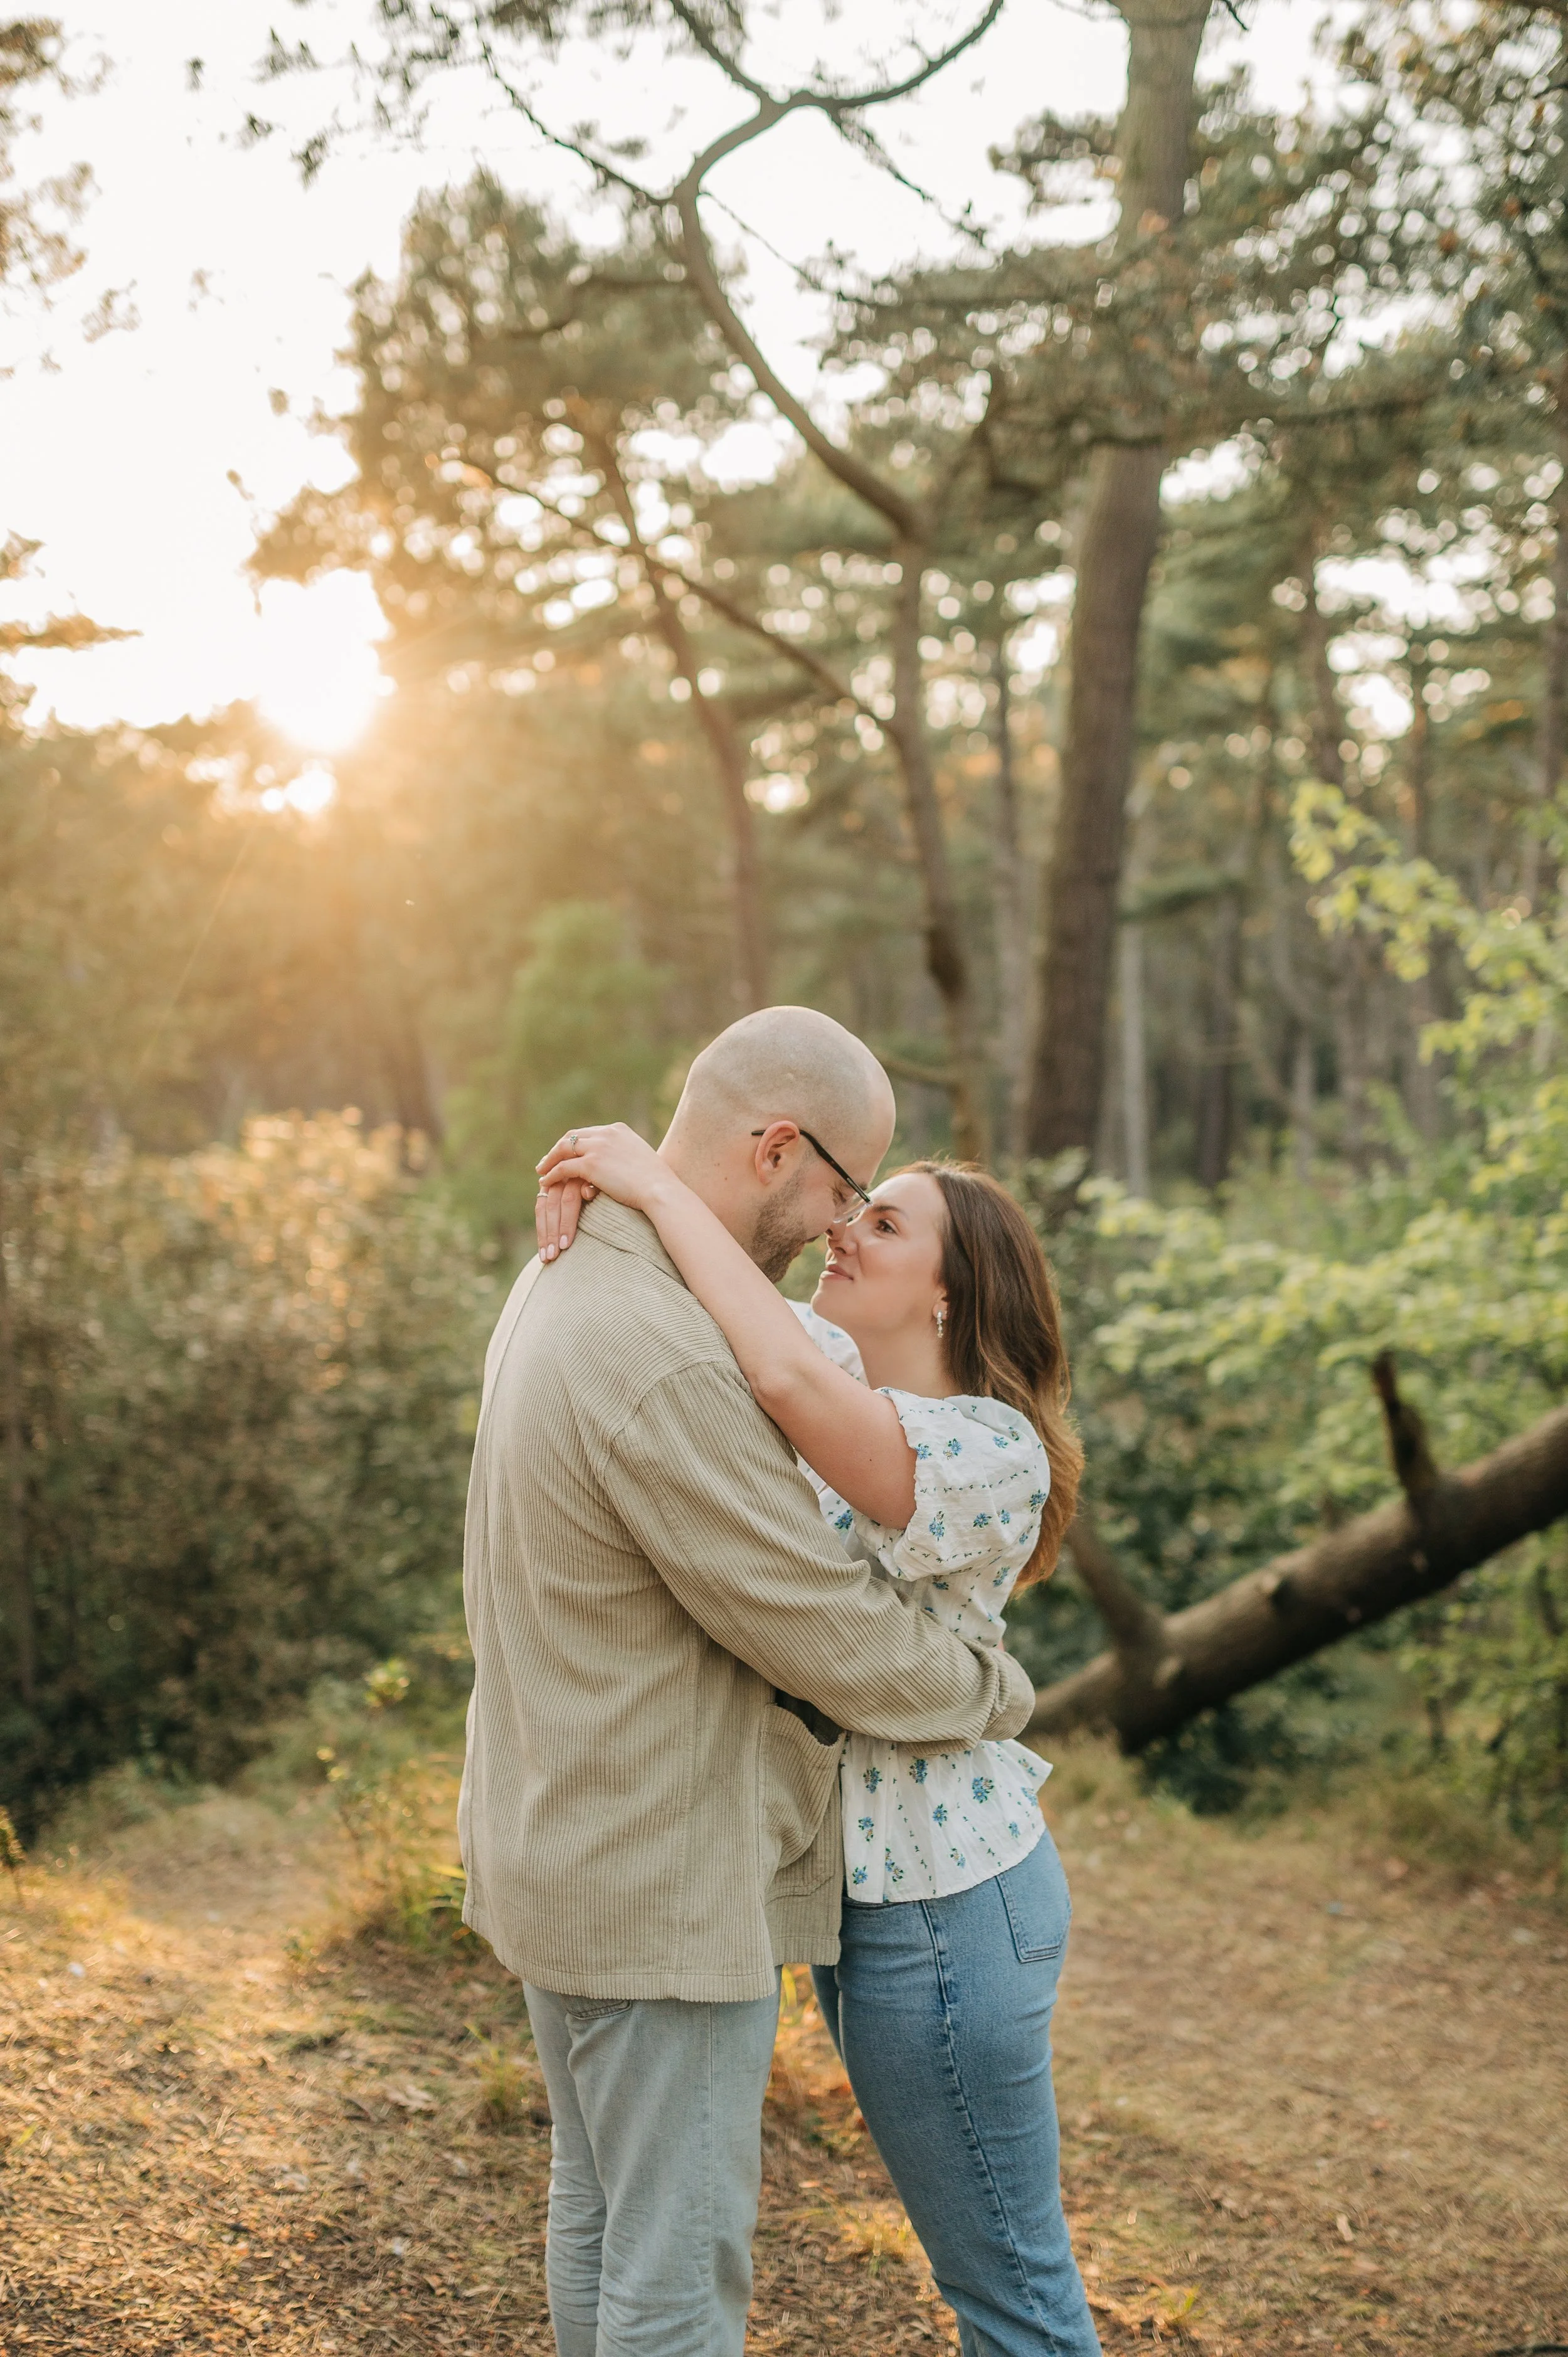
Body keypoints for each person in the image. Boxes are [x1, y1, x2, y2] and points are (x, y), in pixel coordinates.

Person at [458, 1005, 1039, 2357]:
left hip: (562, 1833)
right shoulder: (657, 1353)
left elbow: (793, 1359)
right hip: (652, 1875)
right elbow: (820, 1626)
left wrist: (640, 1174)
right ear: (778, 1146)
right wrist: (990, 1692)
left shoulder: (565, 1276)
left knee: (598, 2219)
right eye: (844, 1191)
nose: (837, 1229)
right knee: (671, 2281)